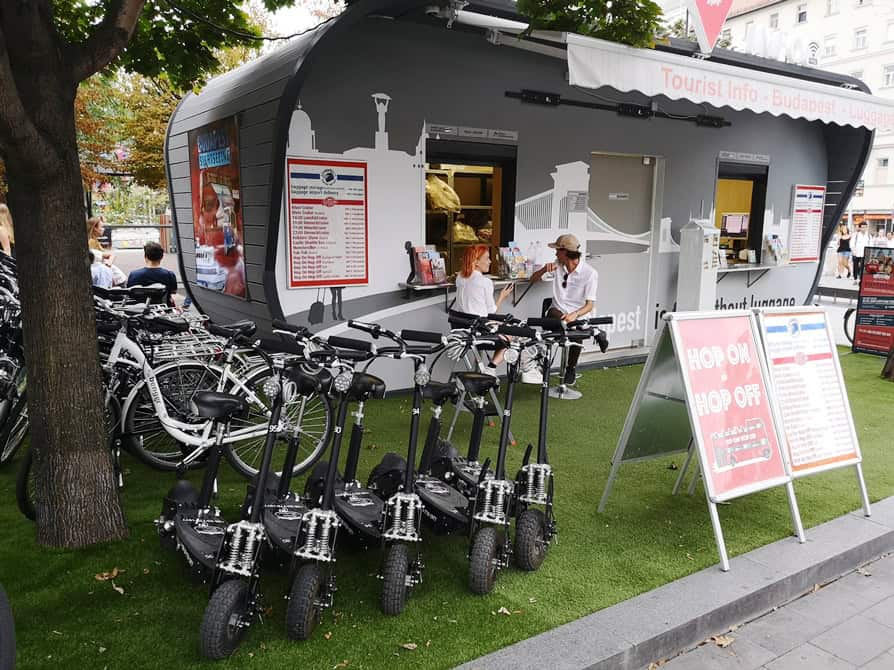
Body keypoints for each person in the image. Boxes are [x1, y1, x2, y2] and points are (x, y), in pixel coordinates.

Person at [531, 233, 598, 386]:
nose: (555, 253)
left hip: (577, 317)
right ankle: (597, 334)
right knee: (558, 316)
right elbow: (532, 280)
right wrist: (543, 270)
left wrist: (574, 314)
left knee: (575, 327)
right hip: (556, 314)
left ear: (565, 252)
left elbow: (589, 305)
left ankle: (571, 368)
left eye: (557, 250)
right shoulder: (557, 265)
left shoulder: (590, 273)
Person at [455, 245, 513, 374]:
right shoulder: (485, 282)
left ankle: (485, 370)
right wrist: (502, 297)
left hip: (462, 331)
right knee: (514, 335)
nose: (490, 261)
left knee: (504, 329)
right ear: (476, 262)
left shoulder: (459, 278)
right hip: (480, 332)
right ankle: (491, 368)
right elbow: (491, 313)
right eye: (487, 258)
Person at [127, 241, 178, 306]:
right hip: (163, 311)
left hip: (140, 312)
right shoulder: (170, 275)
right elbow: (173, 294)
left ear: (145, 257)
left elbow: (130, 295)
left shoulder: (134, 275)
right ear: (161, 257)